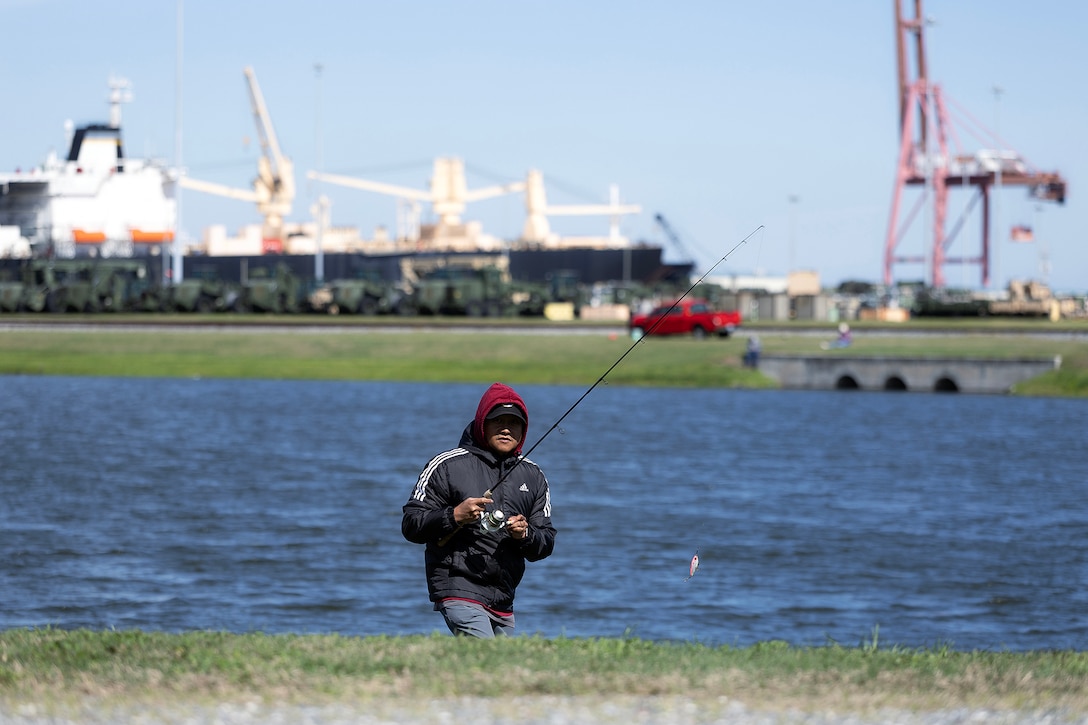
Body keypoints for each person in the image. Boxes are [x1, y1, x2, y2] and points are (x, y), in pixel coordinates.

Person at [402, 382, 556, 638]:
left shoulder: (534, 475)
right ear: (482, 423)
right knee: (487, 657)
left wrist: (525, 534)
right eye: (498, 421)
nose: (506, 429)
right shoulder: (446, 465)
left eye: (514, 422)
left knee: (497, 670)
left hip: (503, 599)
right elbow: (411, 525)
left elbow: (546, 542)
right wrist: (454, 516)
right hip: (457, 588)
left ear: (523, 429)